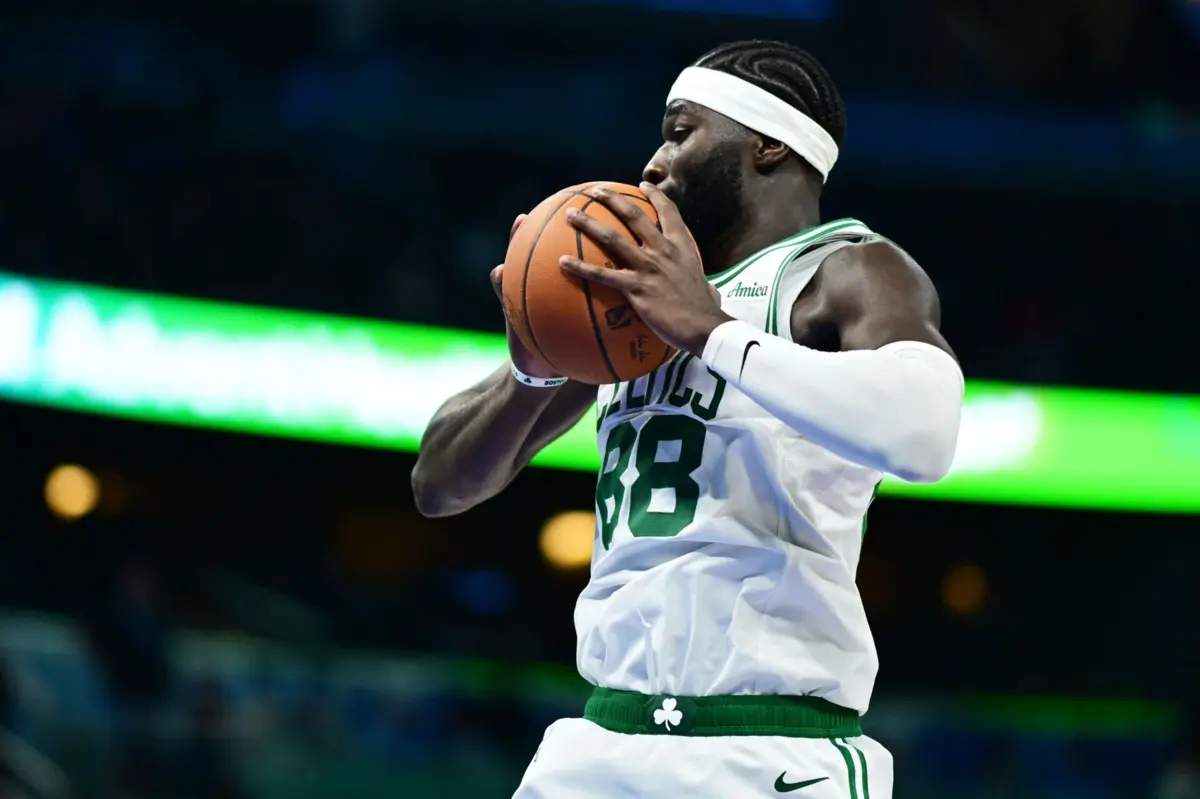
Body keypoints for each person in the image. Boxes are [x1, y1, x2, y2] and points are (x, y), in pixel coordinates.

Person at [412, 39, 964, 798]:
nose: (653, 163)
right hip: (602, 742)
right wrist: (533, 368)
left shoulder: (845, 270)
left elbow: (928, 434)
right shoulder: (631, 303)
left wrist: (711, 331)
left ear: (768, 144)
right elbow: (439, 486)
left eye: (680, 132)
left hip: (770, 745)